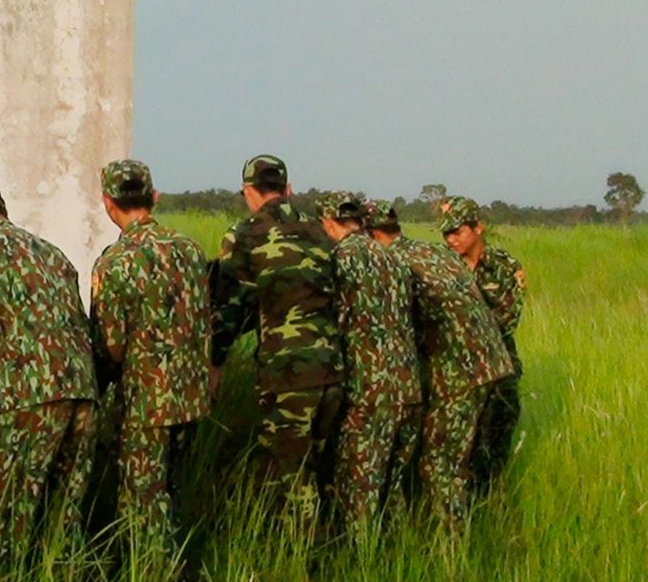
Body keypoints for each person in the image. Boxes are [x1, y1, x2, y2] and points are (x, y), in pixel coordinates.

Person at [0, 184, 97, 561]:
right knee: (66, 510)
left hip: (27, 393)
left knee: (5, 509)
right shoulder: (52, 253)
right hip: (82, 389)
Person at [210, 155, 344, 525]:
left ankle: (300, 561)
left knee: (291, 476)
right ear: (288, 189)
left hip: (287, 374)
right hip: (331, 367)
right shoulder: (321, 233)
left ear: (248, 192)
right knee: (322, 469)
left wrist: (215, 361)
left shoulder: (246, 235)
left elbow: (232, 305)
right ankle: (336, 541)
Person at [89, 160, 212, 553]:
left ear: (109, 202)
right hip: (190, 396)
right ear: (153, 198)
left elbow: (112, 344)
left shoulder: (114, 262)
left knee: (144, 499)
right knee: (172, 488)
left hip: (146, 403)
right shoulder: (190, 250)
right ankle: (172, 567)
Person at [365, 200, 513, 526]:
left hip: (460, 372)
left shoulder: (392, 261)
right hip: (493, 365)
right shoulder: (430, 252)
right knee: (466, 457)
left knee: (440, 466)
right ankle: (478, 520)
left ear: (371, 234)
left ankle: (451, 553)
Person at [315, 191, 422, 533]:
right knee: (393, 491)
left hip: (369, 390)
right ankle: (400, 556)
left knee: (360, 490)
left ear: (328, 222)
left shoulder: (340, 258)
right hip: (408, 387)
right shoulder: (394, 259)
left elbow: (337, 323)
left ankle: (362, 565)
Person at [440, 196, 525, 494]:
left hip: (499, 369)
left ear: (478, 227)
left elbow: (507, 318)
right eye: (446, 233)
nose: (451, 239)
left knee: (495, 442)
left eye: (458, 231)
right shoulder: (441, 266)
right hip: (455, 373)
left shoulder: (505, 266)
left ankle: (491, 502)